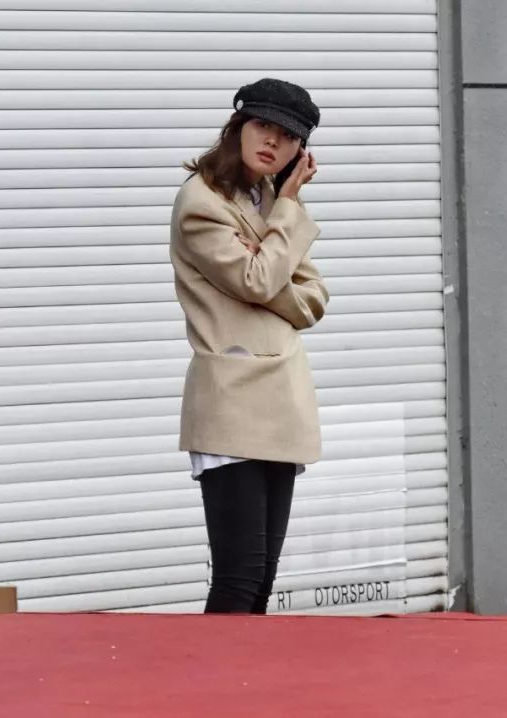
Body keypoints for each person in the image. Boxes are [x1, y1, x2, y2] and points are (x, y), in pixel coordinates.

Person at [170, 78, 329, 614]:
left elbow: (312, 298)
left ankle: (246, 674)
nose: (273, 142)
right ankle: (212, 673)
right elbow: (259, 281)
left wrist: (269, 245)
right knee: (238, 579)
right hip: (232, 399)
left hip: (281, 399)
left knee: (262, 579)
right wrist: (285, 218)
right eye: (263, 125)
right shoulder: (201, 202)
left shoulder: (265, 200)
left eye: (289, 136)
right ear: (238, 126)